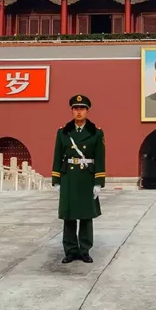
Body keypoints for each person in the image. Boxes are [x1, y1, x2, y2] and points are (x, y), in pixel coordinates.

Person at [52, 94, 105, 264]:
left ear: (87, 111)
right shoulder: (63, 132)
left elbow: (100, 158)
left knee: (85, 216)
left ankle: (84, 250)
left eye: (82, 108)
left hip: (86, 178)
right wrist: (57, 180)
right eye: (76, 108)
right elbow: (57, 156)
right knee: (69, 216)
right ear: (72, 111)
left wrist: (98, 183)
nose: (79, 111)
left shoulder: (96, 133)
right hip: (69, 177)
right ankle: (70, 250)